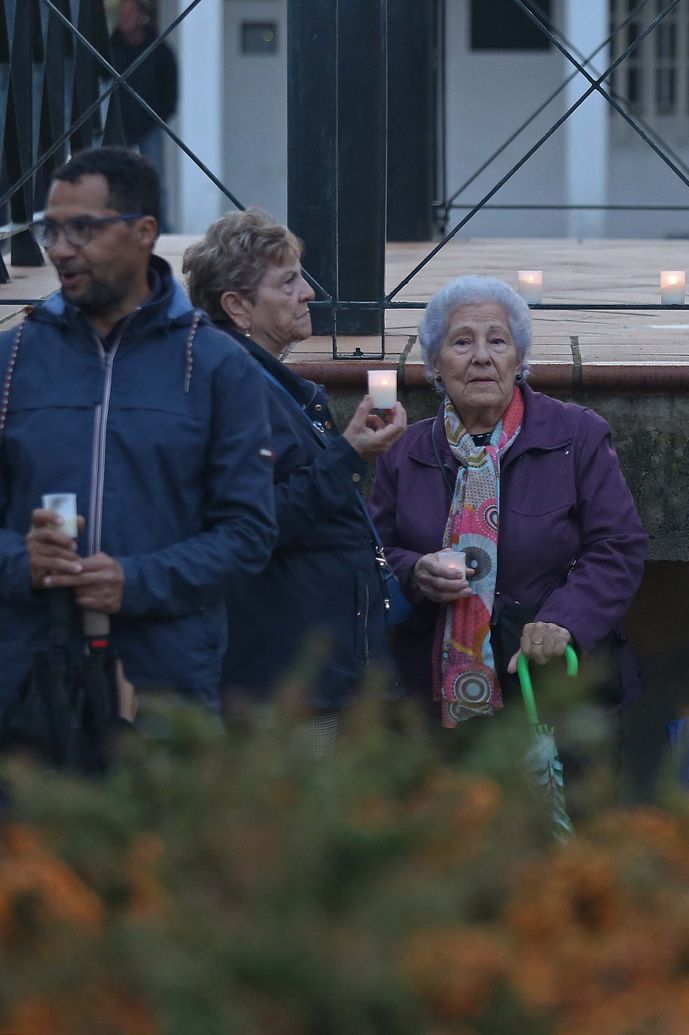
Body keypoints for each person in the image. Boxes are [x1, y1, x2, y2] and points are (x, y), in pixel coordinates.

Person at [0, 147, 275, 713]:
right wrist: (20, 561)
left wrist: (137, 580)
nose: (60, 250)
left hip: (164, 685)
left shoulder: (218, 366)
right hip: (26, 678)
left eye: (82, 229)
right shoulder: (11, 358)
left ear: (144, 231)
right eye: (51, 231)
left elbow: (247, 533)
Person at [369, 275, 647, 731]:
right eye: (462, 342)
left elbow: (619, 545)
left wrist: (563, 621)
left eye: (497, 341)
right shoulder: (405, 451)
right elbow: (373, 555)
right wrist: (414, 573)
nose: (482, 356)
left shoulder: (576, 435)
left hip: (551, 685)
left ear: (518, 359)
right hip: (431, 695)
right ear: (435, 364)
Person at [182, 208, 408, 723]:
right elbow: (253, 523)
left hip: (314, 666)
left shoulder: (258, 380)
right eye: (288, 283)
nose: (308, 292)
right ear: (238, 307)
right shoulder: (235, 388)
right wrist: (348, 458)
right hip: (292, 680)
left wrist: (347, 452)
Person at [107, 1, 178, 229]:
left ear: (141, 17)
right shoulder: (111, 48)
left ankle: (160, 227)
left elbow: (170, 87)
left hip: (150, 125)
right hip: (120, 126)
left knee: (154, 178)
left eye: (130, 13)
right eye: (122, 13)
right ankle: (119, 225)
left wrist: (159, 118)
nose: (125, 18)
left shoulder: (159, 48)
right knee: (117, 180)